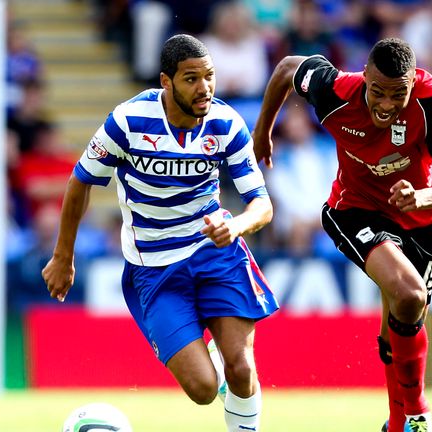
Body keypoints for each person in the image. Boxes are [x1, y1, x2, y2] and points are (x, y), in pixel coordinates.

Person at [41, 34, 278, 432]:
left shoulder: (226, 123)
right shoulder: (128, 122)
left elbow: (262, 205)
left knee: (241, 366)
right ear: (166, 82)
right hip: (154, 267)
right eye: (190, 79)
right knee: (203, 388)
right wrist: (64, 256)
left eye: (209, 76)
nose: (203, 88)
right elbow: (80, 181)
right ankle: (217, 376)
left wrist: (234, 225)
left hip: (215, 253)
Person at [253, 38, 432, 432]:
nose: (387, 104)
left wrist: (423, 196)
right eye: (378, 91)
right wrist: (262, 131)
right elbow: (287, 68)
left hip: (418, 219)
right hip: (352, 210)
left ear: (413, 82)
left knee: (401, 316)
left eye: (398, 93)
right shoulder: (335, 89)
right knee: (408, 294)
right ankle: (417, 410)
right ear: (365, 77)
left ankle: (395, 423)